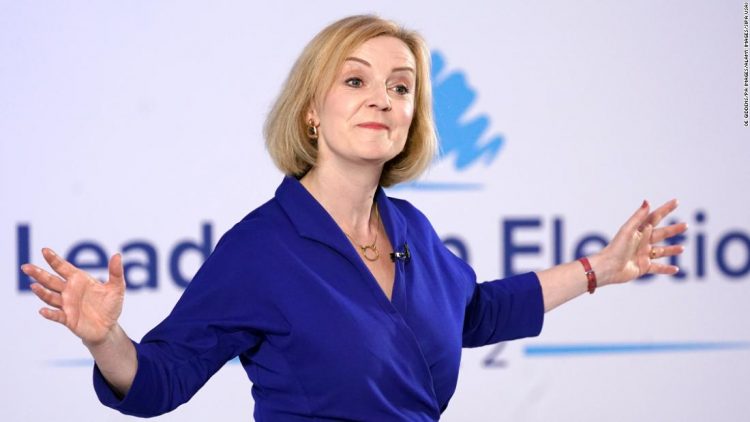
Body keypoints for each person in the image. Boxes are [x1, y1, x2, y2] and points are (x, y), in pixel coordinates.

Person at [21, 15, 687, 421]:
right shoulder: (262, 249)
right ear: (311, 109)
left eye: (401, 87)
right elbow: (159, 382)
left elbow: (473, 314)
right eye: (356, 80)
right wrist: (104, 340)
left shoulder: (414, 233)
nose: (383, 99)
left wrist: (600, 269)